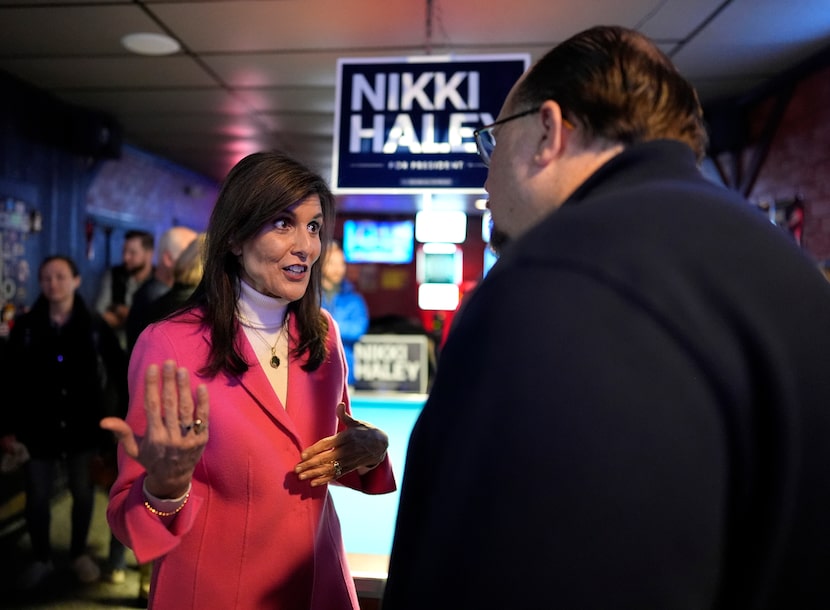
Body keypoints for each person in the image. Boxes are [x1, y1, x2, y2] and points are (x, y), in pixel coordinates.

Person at [383, 25, 830, 610]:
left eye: (491, 146)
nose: (485, 183)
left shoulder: (555, 277)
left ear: (547, 130)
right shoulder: (791, 272)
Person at [100, 150, 396, 609]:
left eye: (314, 226)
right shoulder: (169, 344)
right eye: (283, 223)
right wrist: (165, 487)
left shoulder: (322, 333)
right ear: (235, 237)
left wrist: (373, 448)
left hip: (320, 584)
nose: (306, 245)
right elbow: (127, 517)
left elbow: (331, 447)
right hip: (219, 591)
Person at [2, 255, 128, 589]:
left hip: (83, 429)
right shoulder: (27, 328)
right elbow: (8, 380)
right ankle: (42, 556)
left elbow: (120, 371)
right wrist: (8, 429)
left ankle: (77, 554)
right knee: (38, 497)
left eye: (60, 276)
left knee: (83, 494)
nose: (52, 284)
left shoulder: (94, 327)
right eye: (46, 278)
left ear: (75, 280)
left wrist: (117, 419)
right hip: (37, 429)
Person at [125, 225, 198, 353]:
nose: (196, 262)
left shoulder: (156, 292)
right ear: (168, 259)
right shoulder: (156, 299)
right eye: (189, 254)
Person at [94, 228, 154, 350]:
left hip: (147, 348)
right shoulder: (114, 274)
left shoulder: (157, 280)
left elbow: (155, 321)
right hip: (115, 347)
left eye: (132, 253)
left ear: (148, 254)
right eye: (124, 251)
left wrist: (127, 315)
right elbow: (99, 312)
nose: (126, 257)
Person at [321, 239, 369, 386]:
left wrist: (324, 324)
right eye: (332, 263)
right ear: (320, 264)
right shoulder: (307, 297)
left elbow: (358, 329)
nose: (338, 269)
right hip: (312, 374)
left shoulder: (355, 299)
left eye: (341, 264)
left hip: (345, 375)